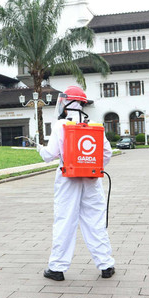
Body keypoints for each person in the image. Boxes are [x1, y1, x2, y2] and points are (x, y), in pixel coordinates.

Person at [37, 86, 115, 280]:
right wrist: (91, 168)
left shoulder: (60, 126)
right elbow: (107, 154)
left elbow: (49, 155)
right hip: (91, 180)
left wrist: (38, 147)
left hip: (67, 179)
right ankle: (106, 265)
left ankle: (57, 268)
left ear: (67, 102)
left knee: (65, 220)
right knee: (95, 221)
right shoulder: (94, 126)